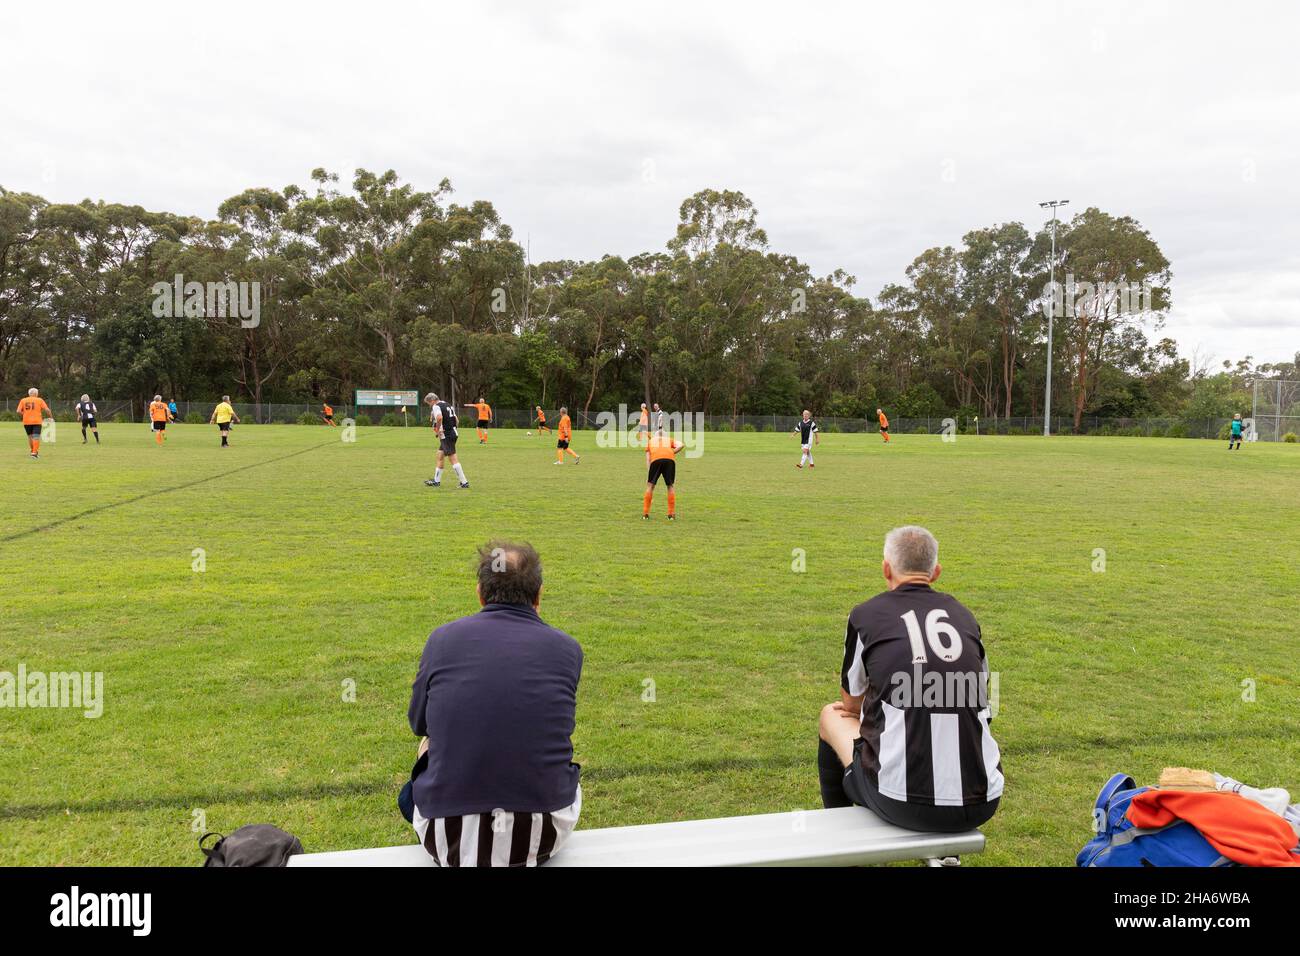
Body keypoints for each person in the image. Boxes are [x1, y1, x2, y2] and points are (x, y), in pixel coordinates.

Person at [400, 541, 582, 866]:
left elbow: (419, 725)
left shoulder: (441, 640)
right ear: (539, 595)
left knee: (416, 775)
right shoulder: (567, 649)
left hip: (446, 837)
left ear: (480, 593)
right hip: (544, 832)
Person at [817, 526, 1002, 834]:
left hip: (901, 802)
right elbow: (986, 704)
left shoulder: (866, 615)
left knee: (830, 715)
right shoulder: (965, 616)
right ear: (936, 572)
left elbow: (850, 703)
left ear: (886, 568)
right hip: (982, 802)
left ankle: (838, 836)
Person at [424, 392, 469, 489]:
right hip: (452, 433)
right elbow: (456, 419)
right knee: (440, 455)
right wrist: (453, 429)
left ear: (432, 400)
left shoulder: (436, 406)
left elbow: (439, 418)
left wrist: (438, 430)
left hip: (446, 435)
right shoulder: (447, 404)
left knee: (452, 458)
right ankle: (436, 481)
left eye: (429, 403)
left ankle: (464, 482)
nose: (430, 406)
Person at [641, 427, 682, 520]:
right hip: (669, 460)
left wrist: (649, 471)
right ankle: (671, 514)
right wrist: (672, 452)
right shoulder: (669, 440)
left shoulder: (650, 442)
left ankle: (645, 514)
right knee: (670, 486)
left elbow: (648, 458)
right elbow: (681, 445)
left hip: (655, 461)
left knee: (650, 486)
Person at [16, 387, 50, 459]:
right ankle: (34, 453)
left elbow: (18, 411)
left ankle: (33, 451)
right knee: (36, 437)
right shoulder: (39, 400)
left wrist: (24, 414)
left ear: (29, 394)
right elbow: (46, 409)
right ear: (36, 393)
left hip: (26, 421)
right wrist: (50, 416)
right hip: (37, 421)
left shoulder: (23, 400)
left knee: (30, 437)